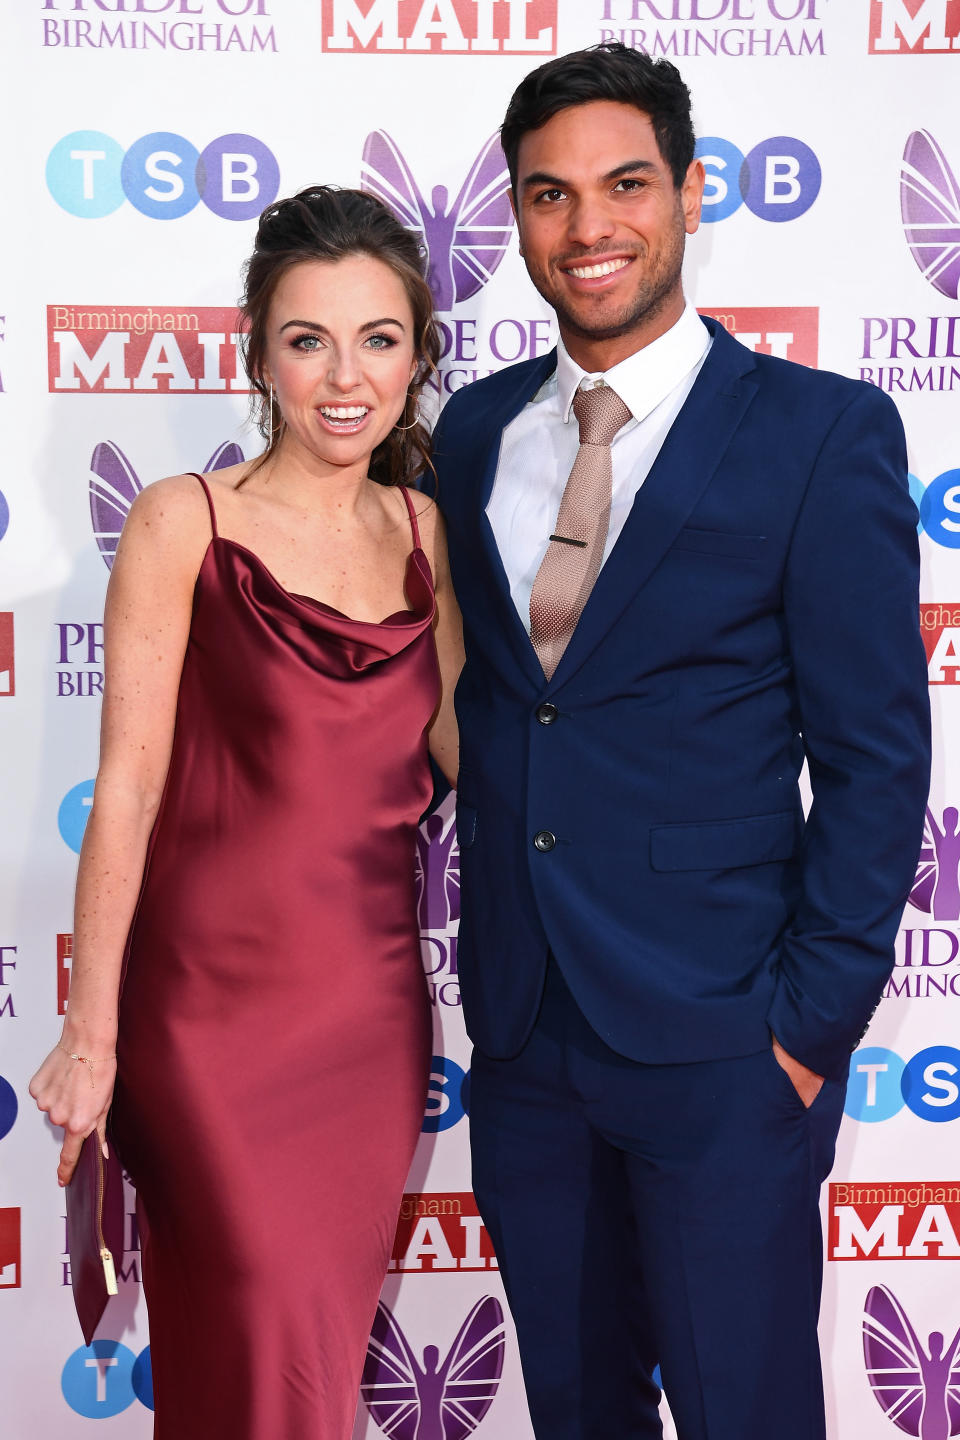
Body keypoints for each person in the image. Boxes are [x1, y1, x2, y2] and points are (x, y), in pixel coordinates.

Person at [432, 43, 930, 1440]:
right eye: (549, 194)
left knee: (744, 1409)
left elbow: (879, 753)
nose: (589, 227)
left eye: (626, 183)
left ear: (694, 193)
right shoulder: (473, 434)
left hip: (725, 1040)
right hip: (529, 1037)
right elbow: (498, 706)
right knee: (576, 1412)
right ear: (517, 217)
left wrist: (807, 1027)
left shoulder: (819, 434)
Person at [30, 186, 462, 1440]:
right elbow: (129, 788)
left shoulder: (430, 532)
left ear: (419, 354)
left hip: (367, 1024)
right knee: (259, 1342)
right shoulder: (186, 520)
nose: (345, 375)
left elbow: (472, 748)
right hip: (203, 1022)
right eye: (307, 338)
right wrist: (92, 1034)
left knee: (308, 1367)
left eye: (379, 338)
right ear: (256, 352)